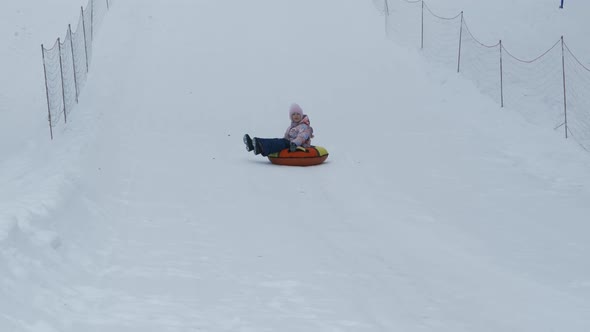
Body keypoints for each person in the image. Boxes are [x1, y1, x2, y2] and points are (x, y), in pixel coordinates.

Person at [243, 103, 314, 157]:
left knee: (281, 143)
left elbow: (302, 137)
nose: (296, 116)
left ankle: (260, 146)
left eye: (298, 114)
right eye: (294, 114)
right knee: (277, 141)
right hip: (289, 143)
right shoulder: (291, 127)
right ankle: (253, 144)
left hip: (298, 146)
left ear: (301, 115)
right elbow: (286, 137)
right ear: (291, 116)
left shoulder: (304, 126)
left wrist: (294, 143)